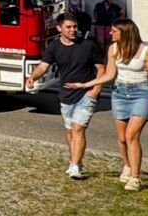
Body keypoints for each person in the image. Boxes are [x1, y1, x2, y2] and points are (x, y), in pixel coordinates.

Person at [64, 19, 148, 191]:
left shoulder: (146, 52)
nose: (110, 34)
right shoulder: (113, 49)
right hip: (119, 93)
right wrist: (85, 85)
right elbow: (109, 74)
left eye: (114, 31)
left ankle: (135, 177)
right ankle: (127, 165)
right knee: (121, 137)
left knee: (131, 136)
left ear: (125, 32)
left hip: (141, 93)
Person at [25, 13, 105, 181]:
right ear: (60, 29)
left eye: (75, 27)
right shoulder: (54, 47)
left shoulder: (89, 45)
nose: (73, 30)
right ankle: (75, 160)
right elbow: (43, 66)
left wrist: (95, 91)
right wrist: (33, 77)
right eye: (68, 27)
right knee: (70, 131)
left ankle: (75, 167)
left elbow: (101, 69)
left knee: (78, 128)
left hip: (86, 94)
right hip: (66, 95)